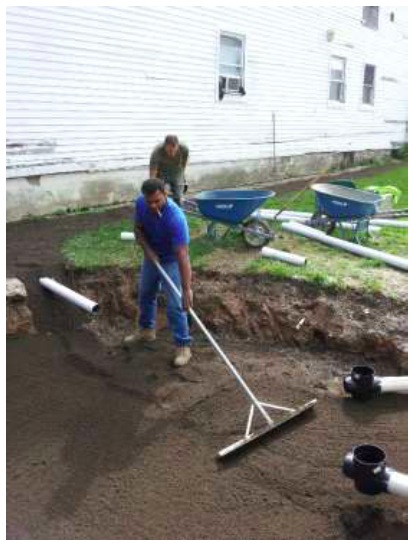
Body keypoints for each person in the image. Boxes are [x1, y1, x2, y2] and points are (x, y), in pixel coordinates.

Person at [124, 178, 193, 367]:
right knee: (145, 294)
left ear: (165, 194)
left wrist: (186, 289)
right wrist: (148, 250)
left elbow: (182, 256)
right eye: (150, 202)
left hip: (171, 260)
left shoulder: (175, 218)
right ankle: (146, 330)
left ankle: (183, 346)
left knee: (175, 304)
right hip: (152, 257)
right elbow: (138, 230)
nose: (153, 206)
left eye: (157, 201)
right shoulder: (140, 204)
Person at [149, 135, 189, 207]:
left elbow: (184, 164)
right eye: (169, 151)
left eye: (174, 150)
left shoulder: (184, 149)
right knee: (162, 194)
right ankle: (163, 210)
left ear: (178, 146)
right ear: (165, 146)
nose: (172, 154)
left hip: (177, 170)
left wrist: (182, 176)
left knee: (178, 195)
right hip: (162, 171)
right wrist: (155, 186)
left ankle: (178, 210)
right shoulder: (157, 152)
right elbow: (153, 172)